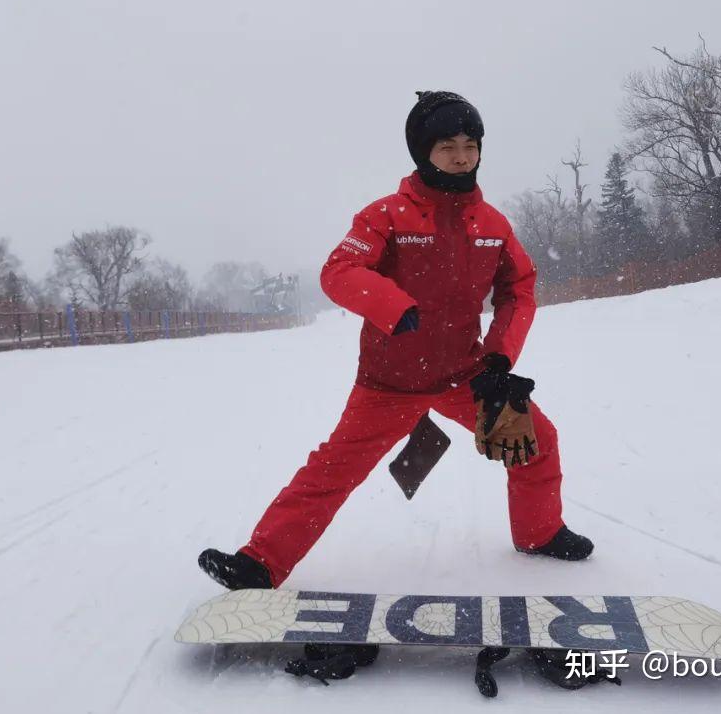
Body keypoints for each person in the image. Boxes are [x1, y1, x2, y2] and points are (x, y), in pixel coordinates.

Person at [199, 91, 593, 590]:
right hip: (388, 382)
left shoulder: (493, 224)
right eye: (447, 145)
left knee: (538, 439)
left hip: (463, 376)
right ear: (422, 151)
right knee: (332, 471)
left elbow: (518, 290)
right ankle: (259, 563)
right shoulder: (386, 216)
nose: (461, 155)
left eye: (470, 143)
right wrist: (393, 305)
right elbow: (339, 270)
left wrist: (498, 359)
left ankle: (540, 533)